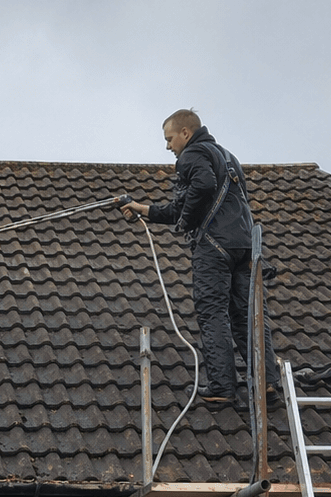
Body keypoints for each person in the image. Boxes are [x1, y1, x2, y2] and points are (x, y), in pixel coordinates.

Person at [117, 109, 278, 405]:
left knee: (212, 311)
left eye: (169, 139)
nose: (168, 147)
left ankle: (221, 386)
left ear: (185, 134)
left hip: (214, 248)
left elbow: (200, 190)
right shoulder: (227, 157)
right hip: (244, 247)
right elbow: (192, 201)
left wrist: (188, 222)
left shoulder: (191, 157)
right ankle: (267, 381)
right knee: (247, 316)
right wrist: (144, 209)